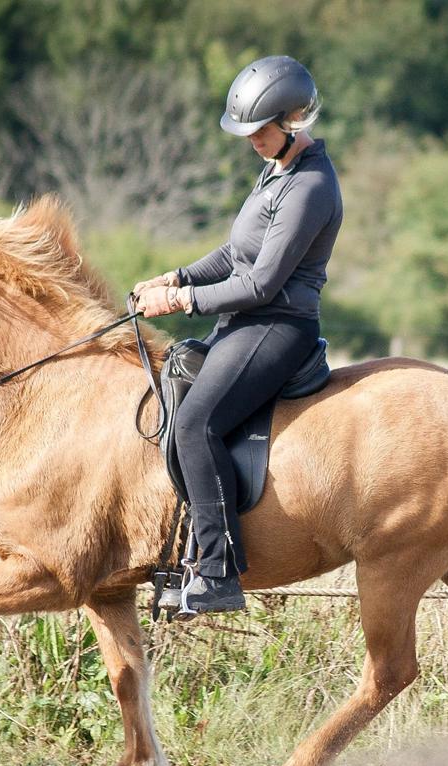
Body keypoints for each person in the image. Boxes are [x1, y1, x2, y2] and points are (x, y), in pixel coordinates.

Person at [133, 55, 344, 620]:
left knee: (198, 422)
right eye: (246, 132)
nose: (251, 141)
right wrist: (177, 276)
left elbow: (259, 282)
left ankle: (218, 572)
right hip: (246, 323)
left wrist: (180, 302)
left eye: (259, 130)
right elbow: (233, 254)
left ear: (292, 121)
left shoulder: (310, 185)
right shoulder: (274, 174)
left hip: (279, 325)